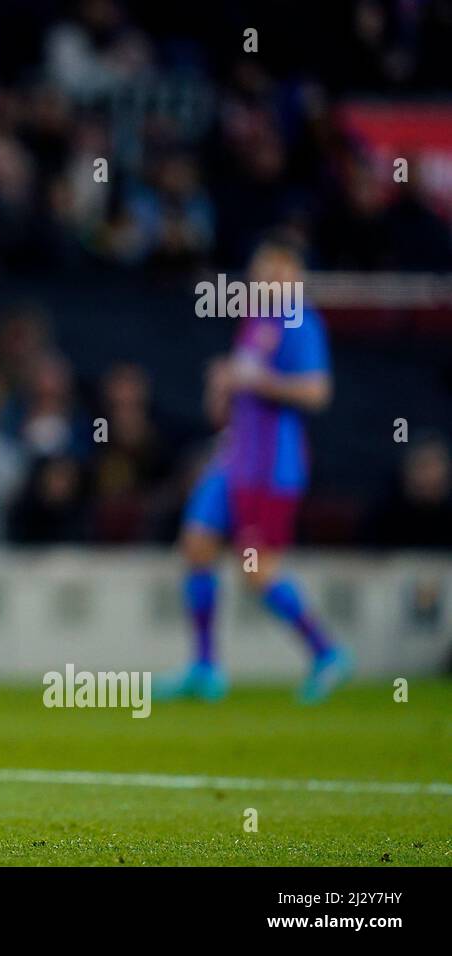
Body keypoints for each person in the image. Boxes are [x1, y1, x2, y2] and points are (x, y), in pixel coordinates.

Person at [157, 237, 352, 704]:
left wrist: (254, 380)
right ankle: (205, 668)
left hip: (271, 465)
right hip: (235, 457)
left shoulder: (302, 322)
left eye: (276, 272)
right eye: (260, 271)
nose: (265, 280)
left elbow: (317, 392)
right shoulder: (254, 323)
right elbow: (241, 390)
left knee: (257, 569)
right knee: (197, 544)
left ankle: (327, 653)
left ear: (294, 278)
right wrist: (223, 389)